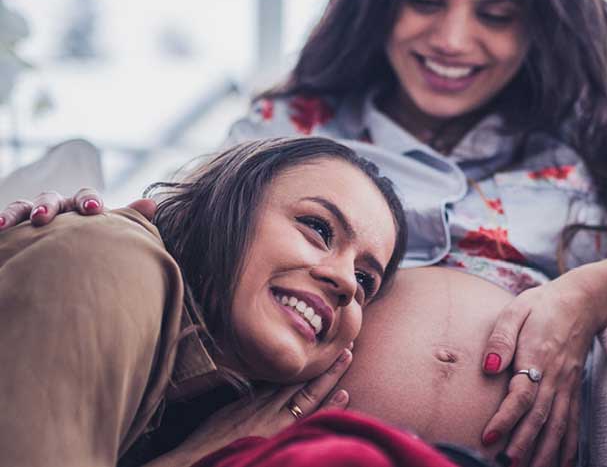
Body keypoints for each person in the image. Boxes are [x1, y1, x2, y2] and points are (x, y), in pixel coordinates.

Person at [0, 0, 607, 465]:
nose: (453, 40)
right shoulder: (291, 123)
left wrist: (592, 290)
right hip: (285, 447)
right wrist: (85, 230)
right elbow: (181, 233)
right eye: (424, 0)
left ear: (542, 21)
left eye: (495, 14)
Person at [0, 137, 409, 467]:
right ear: (225, 207)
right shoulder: (111, 259)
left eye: (364, 279)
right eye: (318, 227)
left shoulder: (200, 406)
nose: (344, 281)